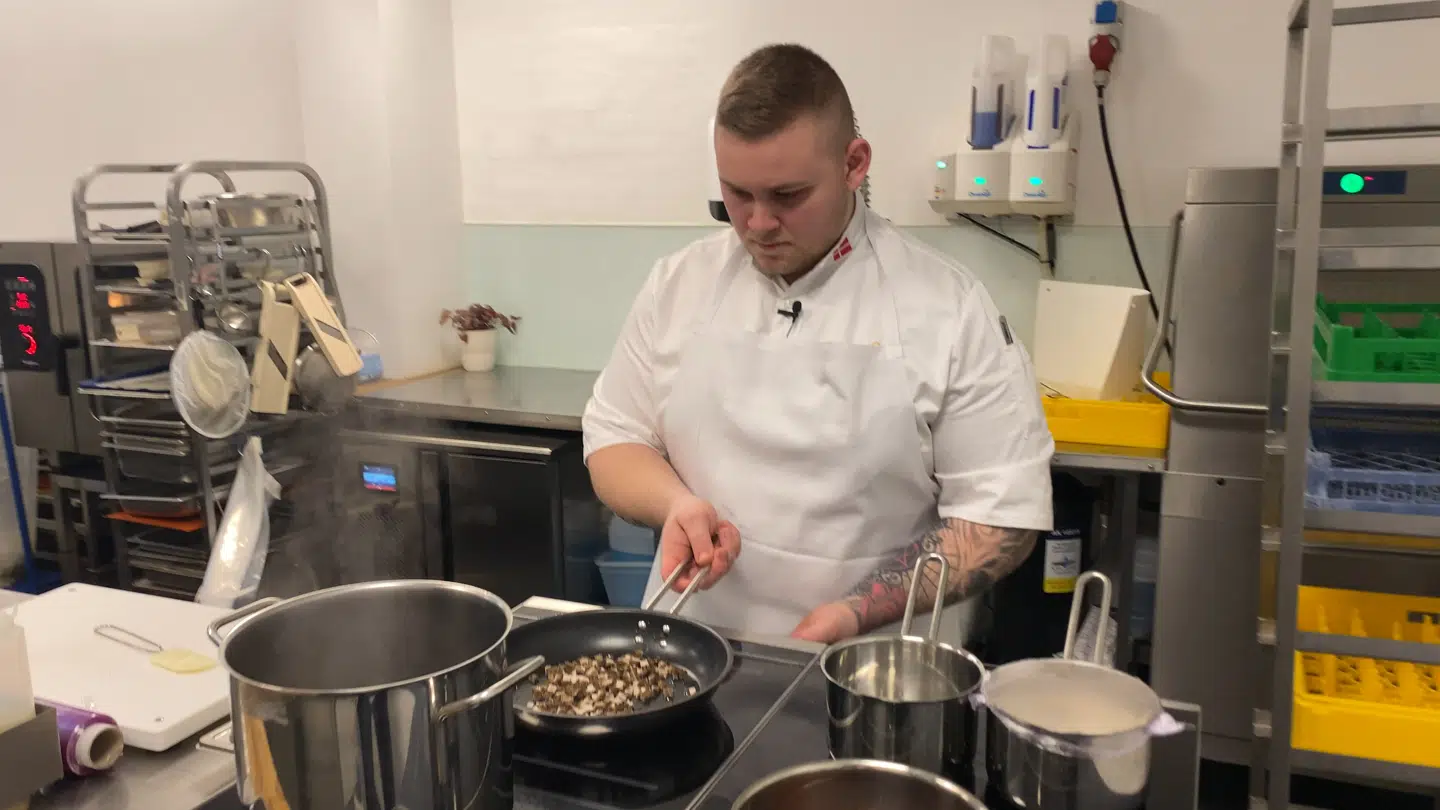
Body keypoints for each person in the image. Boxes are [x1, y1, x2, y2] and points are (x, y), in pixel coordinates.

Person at [582, 43, 1054, 644]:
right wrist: (674, 503)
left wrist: (855, 612)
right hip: (692, 651)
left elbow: (1000, 518)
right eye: (737, 194)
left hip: (872, 666)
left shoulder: (951, 309)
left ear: (854, 164)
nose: (758, 224)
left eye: (788, 196)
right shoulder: (678, 285)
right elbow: (614, 437)